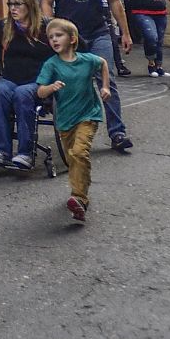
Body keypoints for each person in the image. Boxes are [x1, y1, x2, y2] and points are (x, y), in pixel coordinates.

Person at [38, 0, 133, 151]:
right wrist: (52, 29)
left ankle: (117, 132)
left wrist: (125, 32)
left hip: (98, 32)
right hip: (71, 38)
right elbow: (46, 3)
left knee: (106, 78)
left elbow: (114, 0)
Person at [34, 17, 110, 224]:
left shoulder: (87, 60)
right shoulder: (51, 65)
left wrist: (105, 87)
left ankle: (79, 198)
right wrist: (51, 88)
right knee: (72, 159)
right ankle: (81, 189)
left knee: (79, 152)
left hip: (88, 115)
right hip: (65, 120)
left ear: (73, 38)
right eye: (50, 37)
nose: (54, 40)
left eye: (59, 35)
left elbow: (103, 63)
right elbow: (40, 91)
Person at [0, 0, 53, 171]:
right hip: (11, 77)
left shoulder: (46, 26)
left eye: (17, 4)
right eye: (10, 4)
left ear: (29, 6)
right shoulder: (4, 26)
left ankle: (25, 152)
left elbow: (73, 41)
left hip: (37, 80)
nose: (12, 8)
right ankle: (1, 150)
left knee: (22, 94)